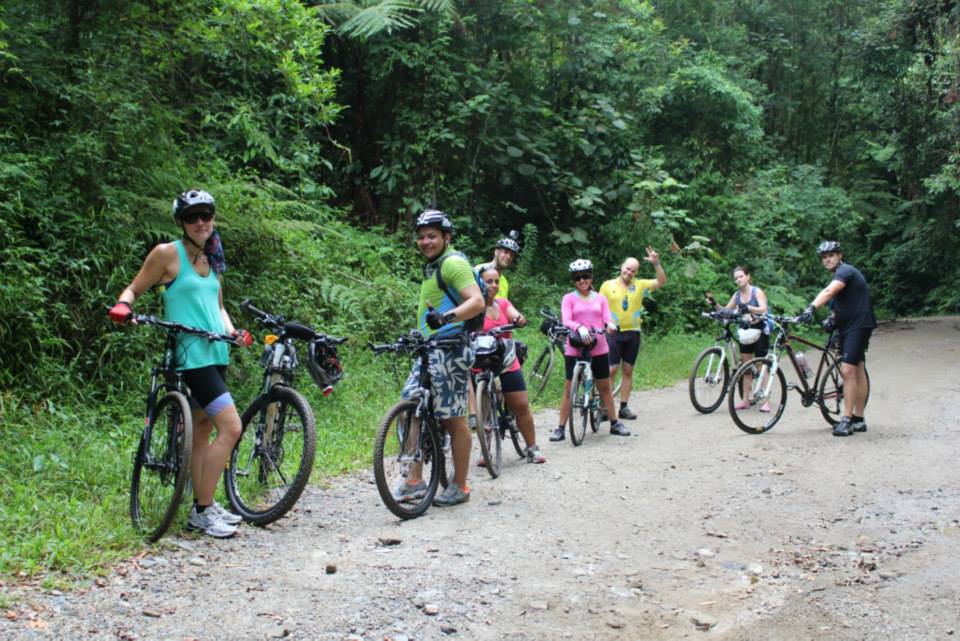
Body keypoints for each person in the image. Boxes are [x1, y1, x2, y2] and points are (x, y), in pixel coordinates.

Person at [108, 189, 252, 538]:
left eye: (206, 215)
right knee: (231, 427)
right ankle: (202, 511)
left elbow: (218, 306)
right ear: (181, 223)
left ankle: (205, 504)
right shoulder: (167, 255)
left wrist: (234, 331)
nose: (201, 222)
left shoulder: (213, 257)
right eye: (192, 217)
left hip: (217, 352)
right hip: (191, 357)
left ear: (213, 218)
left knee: (202, 429)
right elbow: (133, 289)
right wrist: (123, 307)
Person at [393, 209, 485, 506]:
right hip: (429, 349)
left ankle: (460, 485)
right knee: (411, 408)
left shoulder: (453, 263)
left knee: (453, 418)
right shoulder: (433, 267)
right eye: (421, 237)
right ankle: (414, 480)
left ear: (447, 237)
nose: (425, 242)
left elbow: (477, 301)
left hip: (451, 349)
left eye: (432, 236)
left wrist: (446, 317)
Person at [799, 241, 876, 437]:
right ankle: (859, 419)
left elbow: (829, 292)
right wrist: (831, 320)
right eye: (824, 257)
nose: (827, 259)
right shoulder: (838, 277)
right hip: (846, 327)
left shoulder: (845, 272)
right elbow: (838, 305)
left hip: (859, 325)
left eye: (831, 255)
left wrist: (811, 308)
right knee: (857, 368)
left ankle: (847, 419)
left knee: (847, 370)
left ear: (840, 256)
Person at [549, 258, 630, 441]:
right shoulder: (568, 298)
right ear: (573, 280)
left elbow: (607, 318)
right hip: (575, 346)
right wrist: (578, 327)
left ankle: (614, 422)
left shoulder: (600, 299)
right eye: (578, 278)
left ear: (591, 277)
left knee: (604, 387)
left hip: (598, 345)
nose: (582, 281)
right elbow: (566, 320)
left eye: (585, 276)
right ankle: (561, 428)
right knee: (569, 388)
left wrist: (610, 325)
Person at [476, 264, 545, 463]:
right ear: (479, 282)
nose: (494, 285)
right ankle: (485, 449)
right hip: (481, 360)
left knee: (521, 404)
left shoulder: (503, 304)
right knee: (485, 407)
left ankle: (532, 447)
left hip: (505, 358)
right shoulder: (473, 306)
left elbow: (515, 314)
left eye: (496, 281)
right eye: (489, 281)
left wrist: (518, 319)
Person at [598, 248, 666, 420]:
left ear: (636, 273)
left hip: (633, 333)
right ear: (622, 267)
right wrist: (602, 325)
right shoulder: (607, 285)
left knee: (628, 370)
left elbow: (661, 281)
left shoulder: (640, 285)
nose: (629, 272)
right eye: (627, 268)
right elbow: (599, 308)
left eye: (633, 270)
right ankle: (605, 407)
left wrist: (656, 263)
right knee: (611, 370)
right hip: (613, 333)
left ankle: (623, 407)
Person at [707, 265, 771, 412]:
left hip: (760, 330)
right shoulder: (736, 295)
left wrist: (748, 308)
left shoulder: (757, 292)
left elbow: (763, 309)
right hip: (745, 333)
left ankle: (765, 401)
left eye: (741, 276)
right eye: (736, 278)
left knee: (761, 366)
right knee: (746, 367)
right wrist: (714, 304)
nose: (738, 280)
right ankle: (745, 400)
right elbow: (727, 311)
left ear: (748, 277)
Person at [476, 230, 520, 299]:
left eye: (511, 255)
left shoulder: (504, 282)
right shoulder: (480, 270)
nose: (508, 257)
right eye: (505, 252)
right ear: (496, 252)